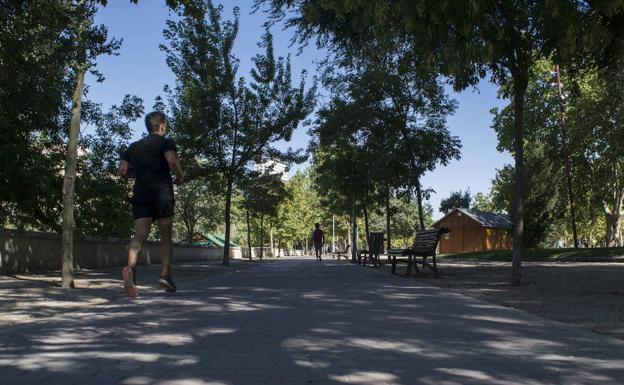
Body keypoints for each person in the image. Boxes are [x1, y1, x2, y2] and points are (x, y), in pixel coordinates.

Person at [118, 111, 183, 298]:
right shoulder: (166, 142)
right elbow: (171, 159)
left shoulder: (134, 147)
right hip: (162, 193)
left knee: (139, 235)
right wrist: (179, 175)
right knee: (165, 235)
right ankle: (165, 275)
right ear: (162, 125)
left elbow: (122, 170)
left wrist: (135, 173)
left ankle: (130, 269)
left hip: (141, 193)